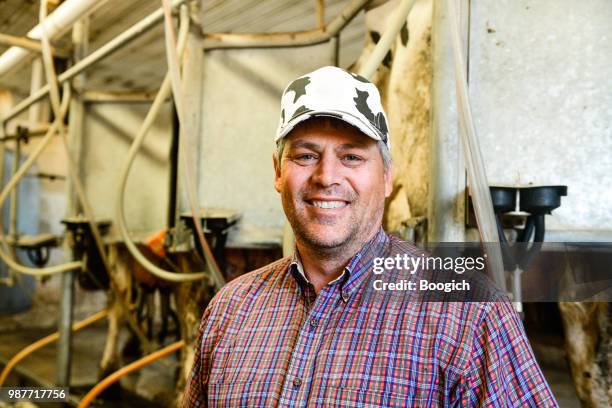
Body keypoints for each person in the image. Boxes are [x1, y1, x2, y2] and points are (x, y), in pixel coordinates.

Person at [182, 66, 557, 407]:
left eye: (352, 157)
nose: (327, 177)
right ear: (278, 171)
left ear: (387, 176)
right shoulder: (231, 311)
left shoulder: (469, 313)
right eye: (305, 156)